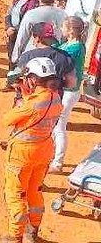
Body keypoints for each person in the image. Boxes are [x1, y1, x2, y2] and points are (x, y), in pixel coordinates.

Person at [1, 57, 63, 243]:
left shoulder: (32, 103)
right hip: (44, 153)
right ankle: (32, 231)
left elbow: (7, 120)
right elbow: (38, 110)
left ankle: (15, 237)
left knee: (16, 194)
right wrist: (28, 95)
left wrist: (21, 97)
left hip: (22, 156)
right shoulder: (56, 97)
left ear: (34, 79)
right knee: (34, 191)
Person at [49, 17, 86, 173]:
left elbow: (58, 54)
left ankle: (58, 163)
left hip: (70, 92)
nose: (61, 30)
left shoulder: (75, 48)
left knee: (59, 126)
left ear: (70, 31)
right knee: (56, 125)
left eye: (63, 27)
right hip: (67, 90)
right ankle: (54, 157)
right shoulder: (71, 44)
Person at [11, 0, 66, 65]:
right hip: (54, 58)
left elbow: (22, 36)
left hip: (31, 57)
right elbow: (64, 38)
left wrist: (15, 58)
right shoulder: (63, 15)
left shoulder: (31, 14)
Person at [4, 0, 40, 73]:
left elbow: (28, 20)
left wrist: (14, 30)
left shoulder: (33, 2)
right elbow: (8, 13)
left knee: (18, 58)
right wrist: (8, 27)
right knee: (11, 56)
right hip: (12, 32)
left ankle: (15, 81)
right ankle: (12, 80)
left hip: (22, 34)